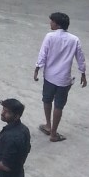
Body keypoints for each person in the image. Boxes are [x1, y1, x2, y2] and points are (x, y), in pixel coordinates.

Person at [34, 12, 86, 142]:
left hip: (50, 76)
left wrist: (37, 69)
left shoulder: (50, 37)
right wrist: (83, 74)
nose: (50, 23)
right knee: (59, 105)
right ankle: (53, 133)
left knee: (47, 100)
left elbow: (43, 54)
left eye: (52, 21)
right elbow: (80, 58)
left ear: (57, 24)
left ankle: (48, 124)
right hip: (64, 79)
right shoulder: (74, 39)